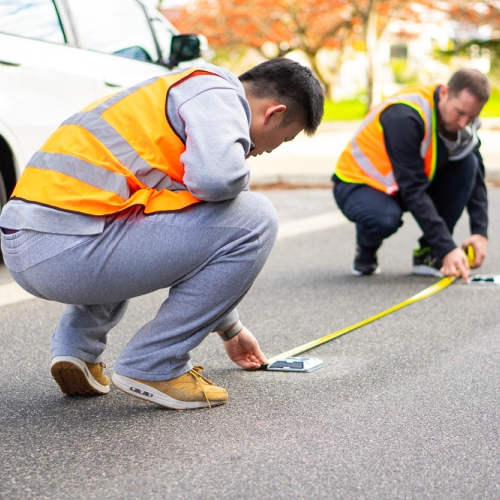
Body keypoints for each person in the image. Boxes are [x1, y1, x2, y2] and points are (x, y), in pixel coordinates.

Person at [0, 58, 324, 409]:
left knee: (136, 214)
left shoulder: (176, 97)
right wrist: (240, 176)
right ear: (273, 114)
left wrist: (230, 328)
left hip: (30, 244)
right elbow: (217, 180)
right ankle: (154, 365)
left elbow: (176, 232)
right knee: (256, 217)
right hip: (70, 246)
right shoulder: (217, 94)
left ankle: (77, 352)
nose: (273, 149)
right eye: (286, 138)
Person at [333, 68, 489, 281]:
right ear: (444, 93)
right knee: (384, 218)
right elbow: (413, 188)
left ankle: (428, 253)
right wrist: (448, 248)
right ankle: (366, 250)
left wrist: (480, 232)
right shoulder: (405, 114)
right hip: (359, 184)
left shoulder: (463, 123)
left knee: (468, 164)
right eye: (460, 113)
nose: (463, 124)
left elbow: (477, 175)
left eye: (472, 117)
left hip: (406, 183)